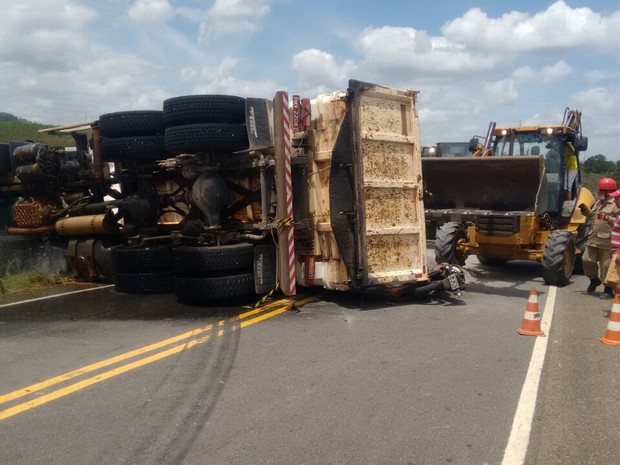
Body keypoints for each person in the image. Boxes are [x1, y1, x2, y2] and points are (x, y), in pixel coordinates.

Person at [579, 177, 619, 299]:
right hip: (593, 239)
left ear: (609, 192)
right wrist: (586, 212)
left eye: (602, 190)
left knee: (606, 266)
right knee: (586, 260)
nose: (600, 192)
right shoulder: (598, 202)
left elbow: (617, 221)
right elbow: (594, 216)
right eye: (600, 190)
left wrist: (607, 218)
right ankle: (594, 280)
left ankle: (608, 290)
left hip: (607, 241)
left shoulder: (615, 205)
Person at [604, 188, 620, 296]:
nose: (614, 200)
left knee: (614, 280)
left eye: (617, 198)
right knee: (613, 280)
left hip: (619, 252)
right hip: (615, 250)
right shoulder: (619, 213)